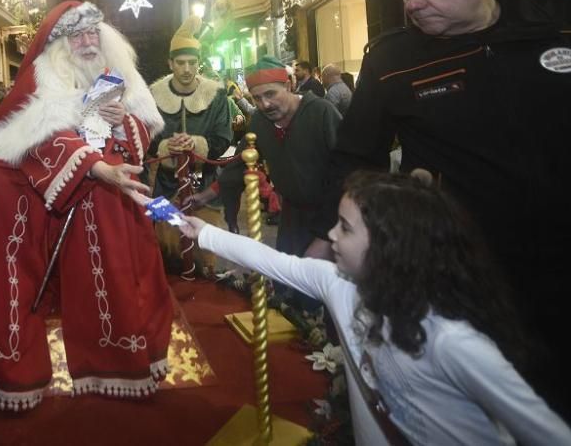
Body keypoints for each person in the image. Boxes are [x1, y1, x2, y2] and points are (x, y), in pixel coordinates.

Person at [326, 0, 571, 416]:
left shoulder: (557, 20)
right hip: (464, 274)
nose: (413, 2)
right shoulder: (392, 60)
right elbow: (357, 157)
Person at [175, 171, 571, 446]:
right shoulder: (340, 285)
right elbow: (277, 263)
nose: (331, 235)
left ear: (389, 246)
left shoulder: (452, 343)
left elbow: (546, 433)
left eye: (345, 228)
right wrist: (202, 231)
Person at [0, 1, 173, 411]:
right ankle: (11, 357)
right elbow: (37, 137)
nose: (86, 42)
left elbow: (143, 133)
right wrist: (92, 164)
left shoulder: (124, 77)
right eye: (76, 36)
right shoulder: (47, 78)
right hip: (52, 180)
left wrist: (119, 122)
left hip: (105, 184)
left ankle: (116, 356)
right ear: (60, 44)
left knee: (109, 210)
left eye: (92, 33)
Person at [190, 56, 341, 256]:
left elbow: (347, 170)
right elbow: (241, 162)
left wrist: (326, 235)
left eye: (271, 94)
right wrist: (204, 197)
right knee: (288, 281)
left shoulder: (322, 113)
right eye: (256, 98)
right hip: (292, 219)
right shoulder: (260, 122)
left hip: (332, 217)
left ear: (288, 86)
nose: (265, 104)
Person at [147, 15, 233, 199]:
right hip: (165, 191)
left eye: (192, 63)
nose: (187, 69)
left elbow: (224, 137)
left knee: (207, 228)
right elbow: (146, 137)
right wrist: (165, 147)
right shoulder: (153, 96)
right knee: (166, 229)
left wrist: (196, 145)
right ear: (170, 64)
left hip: (206, 189)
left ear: (198, 63)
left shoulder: (216, 96)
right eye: (180, 63)